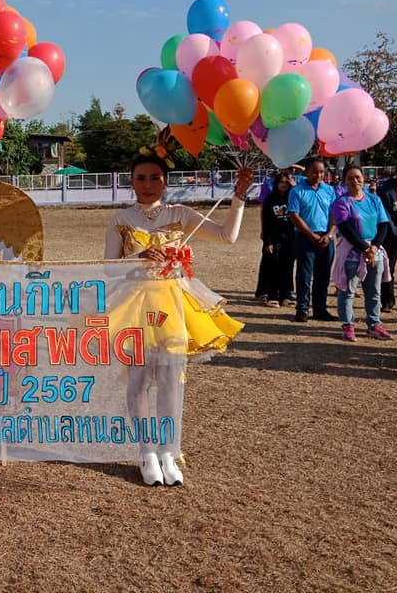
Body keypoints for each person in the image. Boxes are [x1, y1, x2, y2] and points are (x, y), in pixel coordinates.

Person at [104, 151, 252, 486]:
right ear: (131, 182)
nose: (148, 185)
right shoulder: (121, 219)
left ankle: (169, 451)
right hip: (135, 307)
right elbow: (108, 268)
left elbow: (226, 236)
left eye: (154, 178)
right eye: (141, 178)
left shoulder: (180, 214)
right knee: (139, 381)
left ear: (165, 181)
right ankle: (146, 452)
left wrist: (239, 197)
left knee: (172, 382)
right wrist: (139, 257)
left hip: (173, 306)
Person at [331, 165, 393, 341]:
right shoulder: (341, 203)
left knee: (374, 291)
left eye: (357, 177)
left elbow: (383, 224)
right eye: (350, 178)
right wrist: (365, 248)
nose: (355, 181)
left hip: (374, 252)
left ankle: (374, 324)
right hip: (351, 252)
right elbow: (345, 228)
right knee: (347, 290)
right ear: (344, 181)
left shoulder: (374, 199)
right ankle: (348, 325)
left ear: (363, 178)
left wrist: (374, 247)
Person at [287, 158, 338, 323]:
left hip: (326, 238)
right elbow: (294, 215)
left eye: (321, 172)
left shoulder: (329, 190)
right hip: (305, 237)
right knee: (304, 275)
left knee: (323, 275)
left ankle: (320, 309)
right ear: (307, 172)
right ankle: (302, 310)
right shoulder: (297, 191)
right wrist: (311, 235)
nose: (318, 175)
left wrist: (329, 234)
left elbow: (335, 214)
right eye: (315, 171)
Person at [259, 172, 295, 307]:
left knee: (287, 267)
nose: (284, 185)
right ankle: (272, 295)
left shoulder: (293, 198)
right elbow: (267, 222)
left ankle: (286, 295)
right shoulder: (270, 200)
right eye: (281, 182)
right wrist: (267, 241)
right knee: (273, 266)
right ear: (276, 184)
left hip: (290, 238)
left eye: (286, 182)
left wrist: (294, 186)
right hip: (274, 238)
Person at [378, 160, 397, 312]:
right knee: (387, 269)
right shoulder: (385, 190)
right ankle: (387, 301)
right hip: (391, 236)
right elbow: (386, 217)